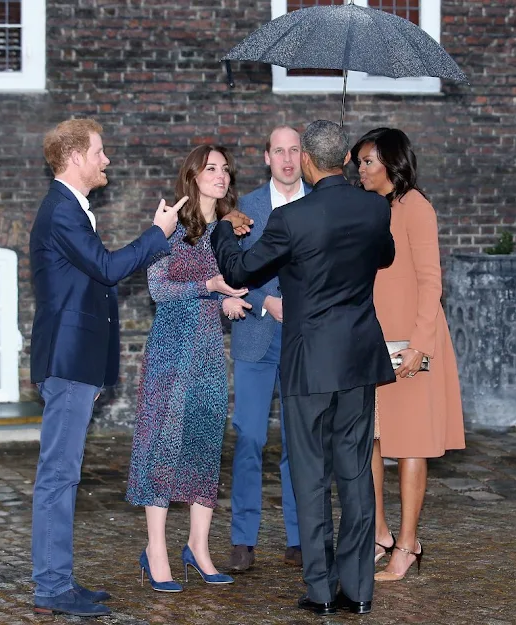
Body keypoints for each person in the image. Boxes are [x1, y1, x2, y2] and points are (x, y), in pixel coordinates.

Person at [211, 120, 396, 617]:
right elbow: (385, 256)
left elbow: (239, 272)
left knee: (311, 476)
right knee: (356, 475)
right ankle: (357, 591)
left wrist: (226, 231)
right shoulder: (374, 207)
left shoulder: (292, 219)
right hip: (358, 359)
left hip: (310, 363)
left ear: (310, 162)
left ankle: (320, 591)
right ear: (345, 161)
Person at [30, 118, 186, 617]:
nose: (107, 160)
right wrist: (158, 234)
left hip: (76, 363)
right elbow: (109, 269)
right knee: (58, 475)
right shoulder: (61, 211)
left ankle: (59, 581)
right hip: (67, 360)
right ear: (75, 157)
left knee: (64, 473)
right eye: (100, 152)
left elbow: (88, 288)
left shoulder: (71, 210)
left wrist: (95, 373)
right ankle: (52, 588)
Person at [126, 145, 251, 592]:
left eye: (225, 170)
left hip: (208, 353)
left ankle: (198, 547)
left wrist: (227, 298)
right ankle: (155, 550)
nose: (221, 175)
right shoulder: (173, 226)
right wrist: (210, 285)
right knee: (161, 445)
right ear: (193, 176)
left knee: (202, 445)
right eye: (211, 168)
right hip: (171, 350)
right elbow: (158, 288)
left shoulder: (226, 231)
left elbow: (219, 286)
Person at [351, 127, 465, 582]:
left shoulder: (416, 207)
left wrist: (420, 345)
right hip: (372, 343)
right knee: (373, 441)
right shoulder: (367, 209)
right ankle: (379, 533)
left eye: (367, 161)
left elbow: (430, 281)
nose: (360, 168)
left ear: (391, 163)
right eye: (357, 161)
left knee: (411, 445)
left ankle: (408, 544)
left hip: (412, 346)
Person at [227, 126, 312, 572]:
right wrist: (264, 302)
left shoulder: (321, 203)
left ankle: (300, 538)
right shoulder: (247, 211)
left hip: (306, 341)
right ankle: (243, 538)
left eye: (294, 150)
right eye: (278, 151)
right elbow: (231, 269)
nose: (286, 159)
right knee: (251, 438)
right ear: (266, 157)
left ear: (304, 155)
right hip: (257, 336)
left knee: (299, 442)